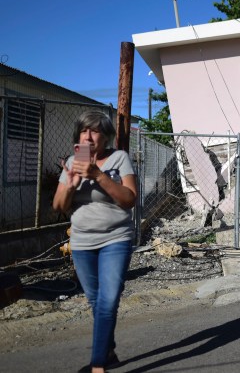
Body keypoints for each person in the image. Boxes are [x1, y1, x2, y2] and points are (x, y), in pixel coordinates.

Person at [52, 111, 137, 373]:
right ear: (78, 137)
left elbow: (129, 199)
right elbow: (59, 207)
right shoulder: (72, 163)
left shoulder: (119, 158)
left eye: (96, 131)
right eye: (84, 131)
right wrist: (71, 185)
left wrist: (99, 176)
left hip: (116, 238)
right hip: (82, 243)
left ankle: (98, 364)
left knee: (108, 300)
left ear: (106, 136)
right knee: (96, 302)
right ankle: (108, 351)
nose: (89, 137)